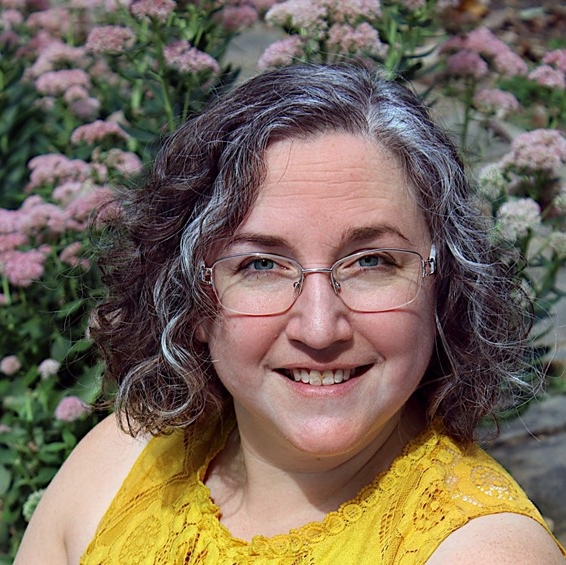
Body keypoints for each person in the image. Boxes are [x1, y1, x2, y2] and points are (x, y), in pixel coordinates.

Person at [15, 63, 566, 564]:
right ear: (191, 300)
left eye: (371, 262)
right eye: (261, 265)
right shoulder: (119, 465)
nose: (320, 329)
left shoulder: (483, 553)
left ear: (443, 285)